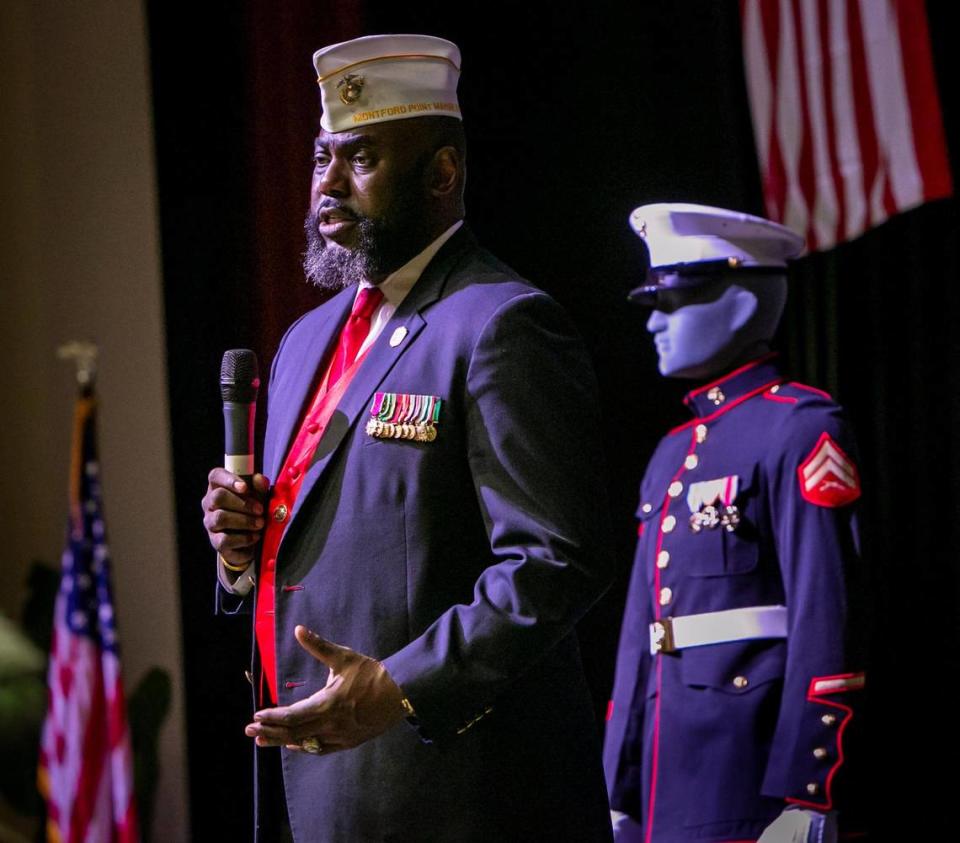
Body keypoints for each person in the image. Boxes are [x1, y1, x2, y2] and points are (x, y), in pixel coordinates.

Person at [201, 34, 614, 842]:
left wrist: (400, 684)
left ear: (441, 172)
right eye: (322, 157)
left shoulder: (499, 322)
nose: (327, 182)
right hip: (306, 790)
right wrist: (237, 552)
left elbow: (557, 560)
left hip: (449, 796)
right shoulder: (303, 341)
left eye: (358, 157)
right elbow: (309, 545)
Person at [603, 204, 865, 843]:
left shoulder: (800, 429)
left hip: (751, 778)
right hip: (665, 781)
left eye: (675, 301)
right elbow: (644, 634)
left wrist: (809, 791)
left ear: (743, 304)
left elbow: (827, 618)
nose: (654, 322)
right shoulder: (672, 451)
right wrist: (615, 783)